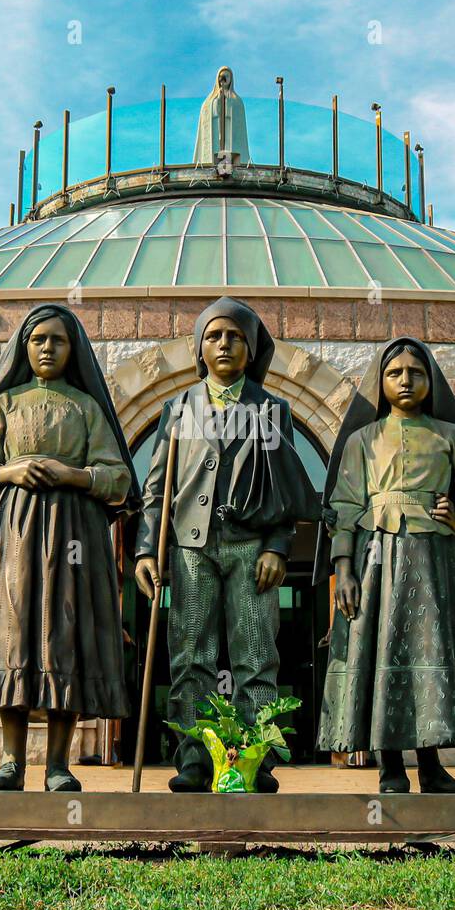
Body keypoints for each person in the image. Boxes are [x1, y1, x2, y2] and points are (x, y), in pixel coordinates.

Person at [0, 303, 138, 792]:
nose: (48, 348)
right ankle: (11, 761)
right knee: (12, 636)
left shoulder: (87, 408)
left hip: (73, 534)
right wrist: (6, 471)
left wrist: (73, 475)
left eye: (58, 340)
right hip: (10, 535)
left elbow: (118, 479)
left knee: (64, 635)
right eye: (38, 340)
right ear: (24, 347)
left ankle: (58, 764)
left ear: (72, 350)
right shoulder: (5, 406)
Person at [133, 296, 317, 793]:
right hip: (192, 548)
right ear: (199, 347)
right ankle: (193, 759)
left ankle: (257, 761)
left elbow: (285, 485)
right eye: (213, 336)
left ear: (250, 346)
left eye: (235, 336)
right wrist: (147, 550)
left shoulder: (271, 409)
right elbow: (156, 488)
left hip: (252, 547)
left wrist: (279, 545)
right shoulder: (178, 408)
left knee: (256, 656)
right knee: (191, 654)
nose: (224, 344)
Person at [315, 337, 455, 793]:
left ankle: (431, 765)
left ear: (431, 381)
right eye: (395, 373)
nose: (406, 380)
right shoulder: (361, 441)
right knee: (379, 654)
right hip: (374, 563)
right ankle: (389, 768)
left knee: (430, 657)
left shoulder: (450, 437)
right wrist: (342, 570)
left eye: (416, 372)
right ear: (381, 383)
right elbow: (344, 507)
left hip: (434, 565)